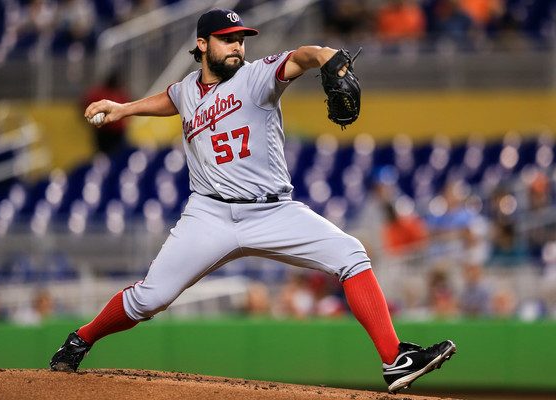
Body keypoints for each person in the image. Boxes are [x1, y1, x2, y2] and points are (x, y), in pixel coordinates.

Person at [50, 8, 456, 394]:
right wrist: (124, 109)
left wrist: (328, 56)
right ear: (203, 44)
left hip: (273, 210)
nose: (237, 47)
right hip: (209, 213)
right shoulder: (189, 88)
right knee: (149, 298)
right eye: (227, 40)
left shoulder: (258, 77)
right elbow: (172, 100)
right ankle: (80, 339)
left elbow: (302, 57)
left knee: (351, 253)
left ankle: (394, 359)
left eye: (241, 39)